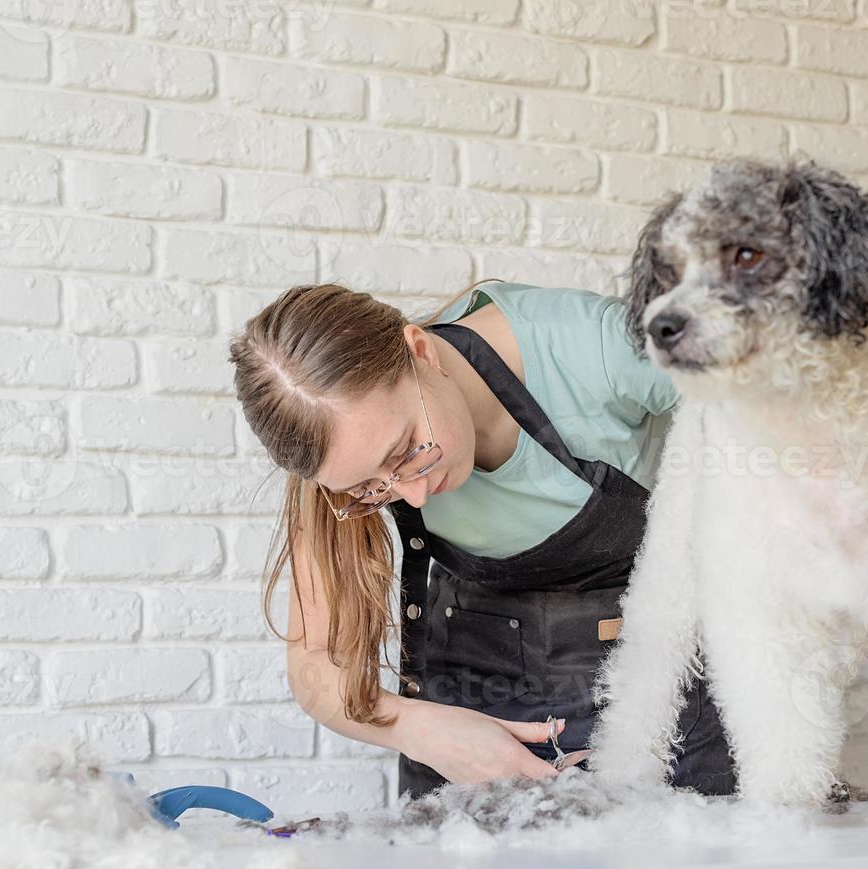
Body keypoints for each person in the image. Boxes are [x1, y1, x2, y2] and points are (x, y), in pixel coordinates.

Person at [228, 275, 740, 796]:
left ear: (421, 351)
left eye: (406, 450)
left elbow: (780, 420)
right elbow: (315, 667)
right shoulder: (337, 464)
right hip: (465, 705)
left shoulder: (594, 348)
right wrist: (415, 727)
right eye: (371, 487)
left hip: (658, 698)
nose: (416, 495)